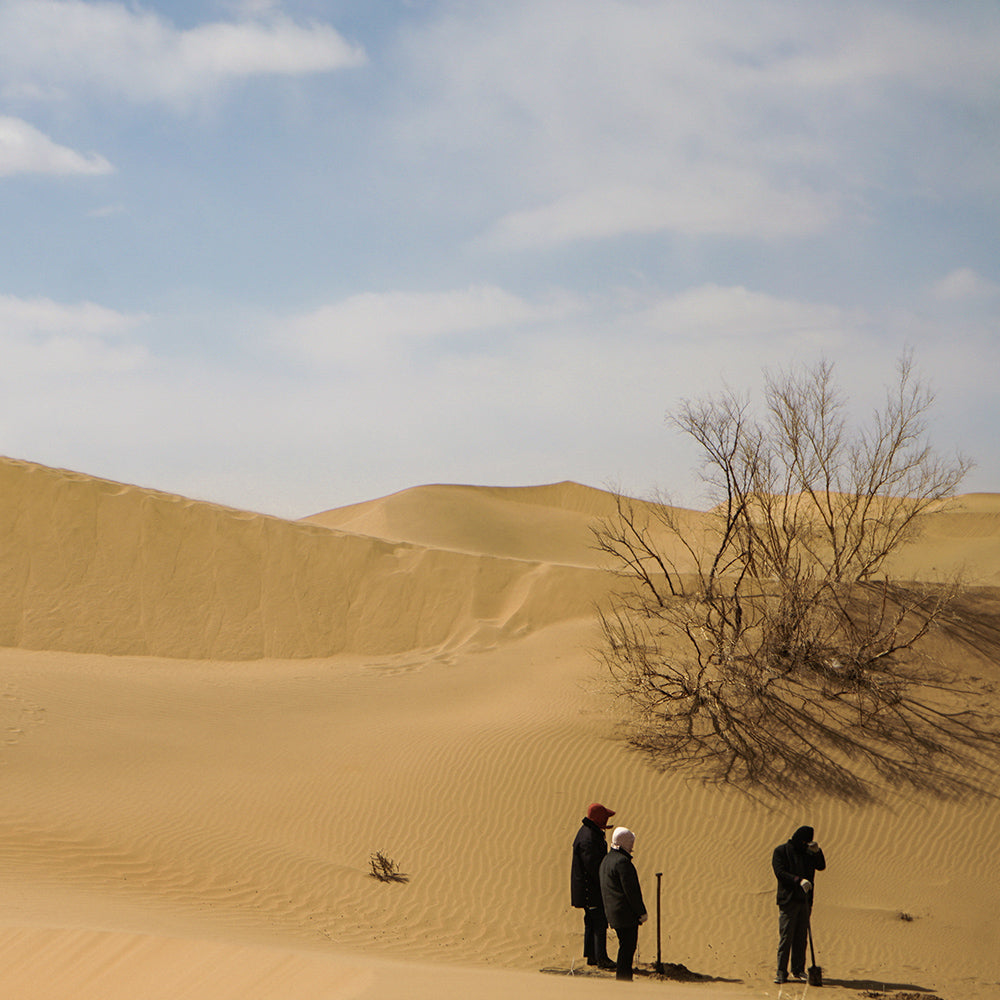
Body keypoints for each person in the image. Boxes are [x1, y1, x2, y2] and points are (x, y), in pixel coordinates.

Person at [771, 825, 826, 984]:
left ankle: (798, 970)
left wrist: (817, 851)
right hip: (788, 900)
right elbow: (780, 872)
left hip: (805, 901)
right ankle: (781, 972)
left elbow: (821, 866)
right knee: (786, 937)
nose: (805, 845)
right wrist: (798, 880)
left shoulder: (809, 853)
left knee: (802, 937)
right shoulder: (781, 851)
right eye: (803, 842)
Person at [599, 826, 648, 981]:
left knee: (625, 948)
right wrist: (641, 912)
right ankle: (624, 983)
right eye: (631, 841)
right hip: (624, 915)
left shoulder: (607, 859)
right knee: (627, 949)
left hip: (613, 913)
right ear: (625, 843)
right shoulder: (622, 862)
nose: (633, 845)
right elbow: (632, 892)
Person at [571, 803, 616, 969]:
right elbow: (593, 867)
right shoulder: (589, 838)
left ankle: (592, 956)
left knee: (592, 921)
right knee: (599, 922)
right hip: (591, 889)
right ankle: (601, 958)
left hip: (588, 889)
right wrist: (605, 882)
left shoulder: (589, 833)